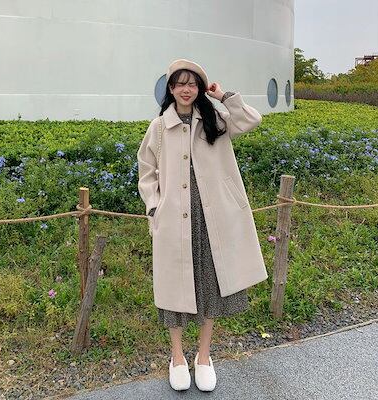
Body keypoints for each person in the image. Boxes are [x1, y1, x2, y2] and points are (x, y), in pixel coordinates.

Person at [137, 59, 265, 391]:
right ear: (170, 89)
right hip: (173, 218)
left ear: (199, 88)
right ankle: (178, 356)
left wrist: (224, 97)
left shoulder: (215, 120)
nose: (186, 89)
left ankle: (204, 356)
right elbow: (146, 171)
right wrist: (155, 207)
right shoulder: (159, 127)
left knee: (212, 284)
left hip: (213, 217)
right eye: (179, 84)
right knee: (174, 288)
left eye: (192, 84)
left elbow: (251, 119)